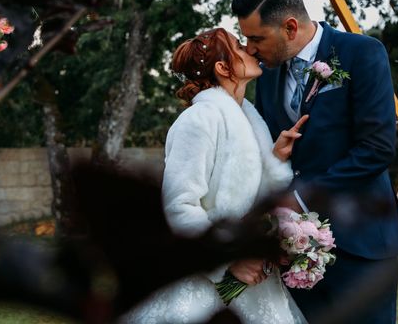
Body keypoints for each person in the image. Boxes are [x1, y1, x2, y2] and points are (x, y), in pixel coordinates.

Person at [232, 0, 398, 324]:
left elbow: (376, 148)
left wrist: (299, 199)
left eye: (256, 38)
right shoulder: (266, 76)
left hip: (362, 245)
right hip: (294, 253)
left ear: (290, 27)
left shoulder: (362, 53)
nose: (250, 49)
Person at [124, 28, 307, 324]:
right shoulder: (198, 120)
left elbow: (244, 195)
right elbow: (178, 206)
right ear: (223, 68)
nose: (250, 50)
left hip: (257, 281)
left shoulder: (249, 119)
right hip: (211, 281)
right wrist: (230, 261)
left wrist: (274, 159)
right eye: (238, 46)